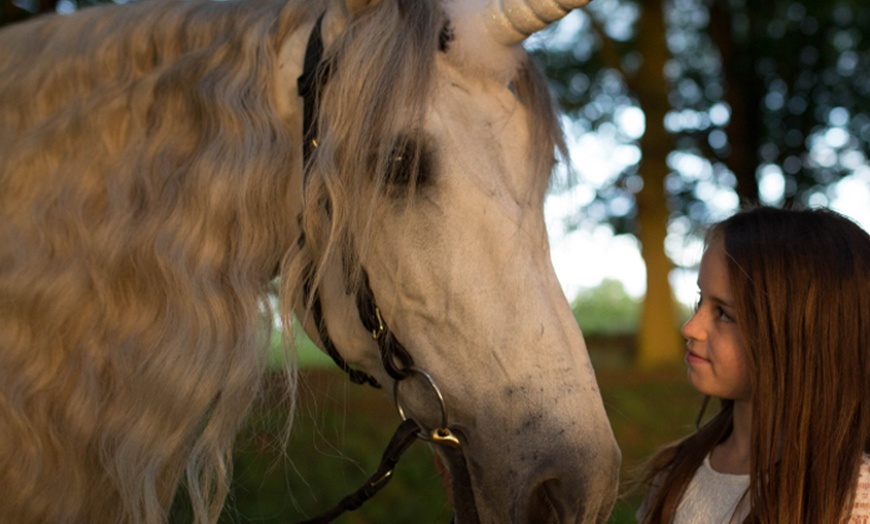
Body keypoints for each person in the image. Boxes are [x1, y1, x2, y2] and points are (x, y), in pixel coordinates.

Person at [636, 206, 870, 523]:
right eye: (700, 299)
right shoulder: (673, 472)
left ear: (802, 338)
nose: (690, 328)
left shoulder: (853, 502)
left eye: (724, 314)